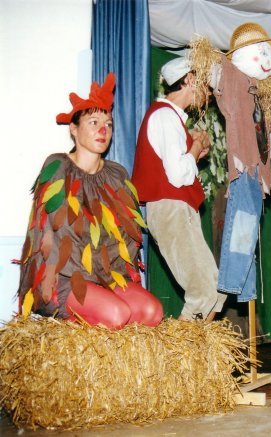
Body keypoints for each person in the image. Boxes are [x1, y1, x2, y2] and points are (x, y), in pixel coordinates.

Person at [16, 72, 163, 330]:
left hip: (107, 278)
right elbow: (49, 236)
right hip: (64, 279)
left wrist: (116, 280)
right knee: (116, 315)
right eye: (93, 122)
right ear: (74, 129)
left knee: (152, 312)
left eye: (108, 124)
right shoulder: (58, 166)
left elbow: (127, 238)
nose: (103, 130)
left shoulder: (117, 174)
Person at [203, 23, 271, 303]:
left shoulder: (265, 95)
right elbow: (216, 73)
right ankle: (232, 282)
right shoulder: (235, 80)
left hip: (259, 169)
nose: (267, 61)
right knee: (243, 219)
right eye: (260, 54)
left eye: (269, 56)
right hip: (244, 164)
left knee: (250, 226)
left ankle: (245, 288)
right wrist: (214, 61)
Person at [132, 57, 227, 321]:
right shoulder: (165, 115)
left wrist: (194, 150)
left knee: (215, 289)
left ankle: (198, 345)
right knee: (204, 291)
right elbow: (177, 175)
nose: (208, 92)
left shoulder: (169, 117)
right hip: (170, 208)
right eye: (204, 84)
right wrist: (195, 148)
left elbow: (178, 167)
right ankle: (181, 347)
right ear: (189, 80)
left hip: (177, 208)